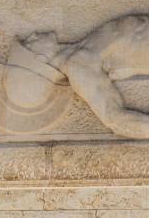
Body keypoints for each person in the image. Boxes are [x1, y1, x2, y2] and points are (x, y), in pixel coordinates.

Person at [19, 15, 149, 138]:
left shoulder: (79, 49)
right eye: (29, 42)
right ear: (41, 58)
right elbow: (113, 118)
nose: (33, 34)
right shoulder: (78, 67)